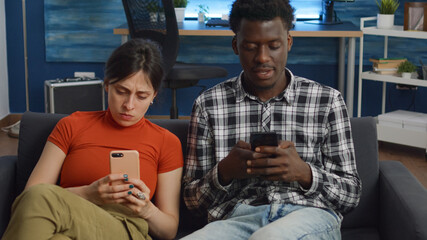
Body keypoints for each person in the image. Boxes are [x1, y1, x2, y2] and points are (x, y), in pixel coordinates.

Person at [181, 0, 362, 239]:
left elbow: (351, 195)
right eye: (251, 47)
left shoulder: (327, 101)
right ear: (236, 45)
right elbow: (192, 202)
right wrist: (224, 172)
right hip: (236, 219)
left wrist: (305, 173)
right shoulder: (208, 105)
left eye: (273, 46)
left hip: (308, 215)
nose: (262, 58)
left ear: (288, 43)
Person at [2, 39, 183, 240]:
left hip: (125, 228)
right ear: (107, 85)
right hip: (65, 219)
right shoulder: (72, 125)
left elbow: (169, 230)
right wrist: (88, 194)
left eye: (141, 96)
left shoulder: (167, 142)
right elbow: (30, 195)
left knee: (39, 201)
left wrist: (147, 209)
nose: (129, 105)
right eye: (121, 92)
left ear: (153, 96)